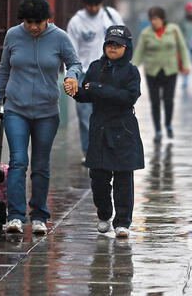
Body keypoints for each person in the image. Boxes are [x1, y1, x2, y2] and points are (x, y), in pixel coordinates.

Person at [0, 0, 82, 234]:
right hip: (15, 109)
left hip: (46, 112)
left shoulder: (59, 37)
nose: (33, 27)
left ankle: (39, 215)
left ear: (47, 19)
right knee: (18, 161)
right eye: (29, 22)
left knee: (40, 165)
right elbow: (4, 68)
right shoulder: (13, 35)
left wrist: (71, 76)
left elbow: (75, 63)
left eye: (38, 22)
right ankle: (16, 216)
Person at [70, 25, 144, 238]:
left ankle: (123, 222)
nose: (113, 48)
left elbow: (129, 97)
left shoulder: (131, 72)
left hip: (123, 129)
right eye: (110, 43)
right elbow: (87, 93)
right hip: (99, 129)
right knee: (99, 179)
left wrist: (99, 89)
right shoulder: (95, 67)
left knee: (123, 179)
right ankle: (104, 214)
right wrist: (75, 91)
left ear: (126, 47)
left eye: (118, 45)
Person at [67, 0, 124, 161]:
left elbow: (124, 41)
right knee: (86, 115)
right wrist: (72, 76)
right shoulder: (76, 22)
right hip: (85, 74)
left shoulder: (111, 16)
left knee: (110, 111)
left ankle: (109, 147)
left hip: (110, 72)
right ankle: (89, 151)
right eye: (90, 5)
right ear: (84, 4)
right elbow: (71, 51)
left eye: (96, 5)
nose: (93, 9)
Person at [133, 6, 191, 141]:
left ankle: (168, 124)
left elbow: (182, 47)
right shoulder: (146, 33)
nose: (153, 22)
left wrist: (186, 65)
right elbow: (139, 52)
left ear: (163, 19)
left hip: (170, 70)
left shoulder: (174, 30)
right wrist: (132, 68)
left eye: (156, 19)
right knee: (155, 101)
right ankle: (158, 129)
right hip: (152, 71)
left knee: (168, 99)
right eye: (151, 19)